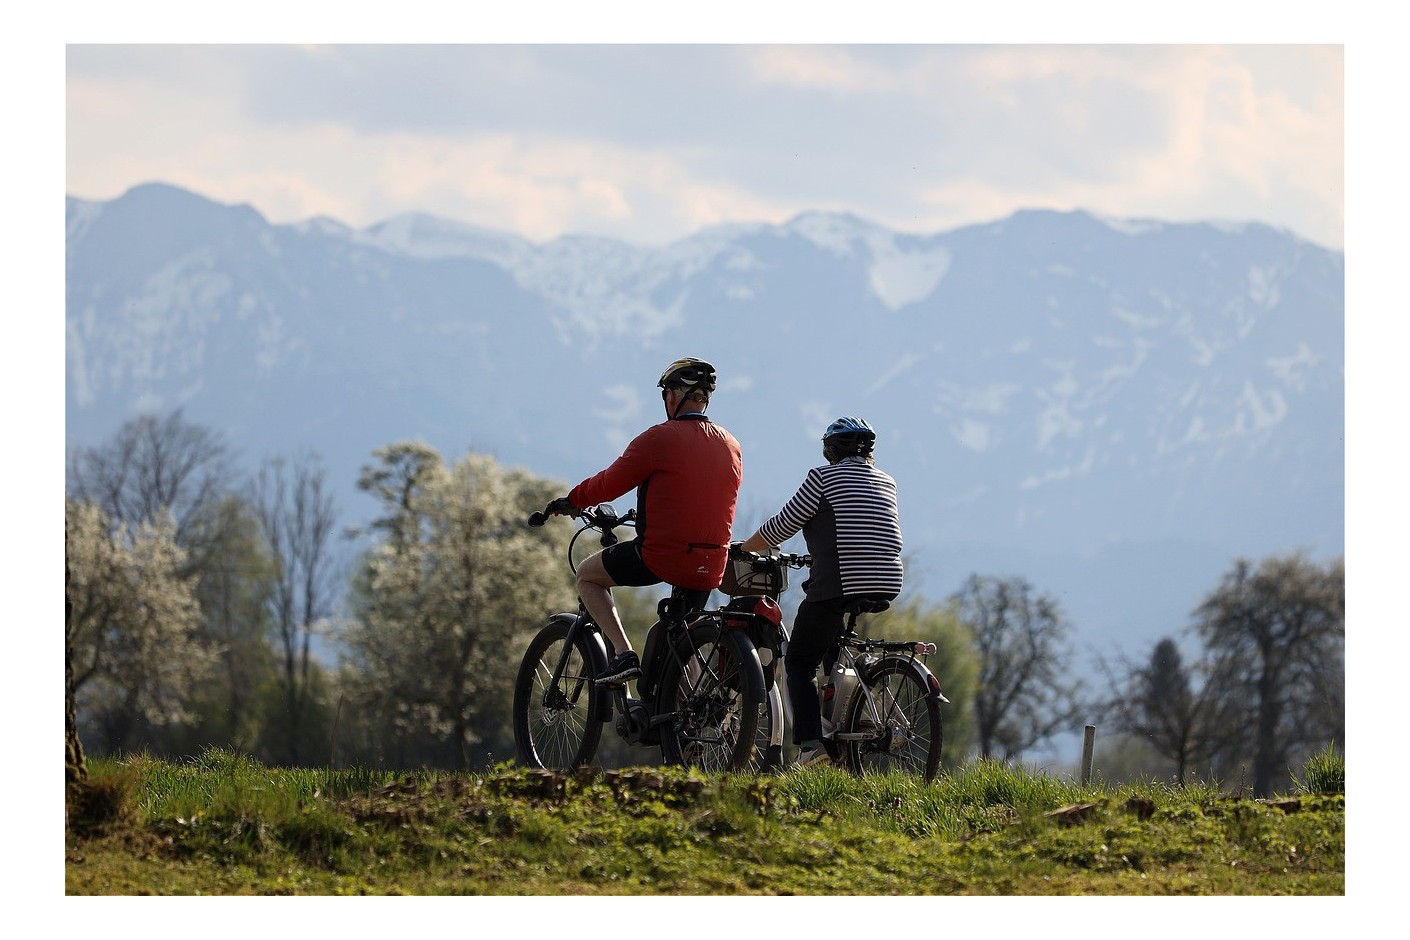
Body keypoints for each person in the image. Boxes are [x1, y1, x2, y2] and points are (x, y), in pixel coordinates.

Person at [545, 357, 743, 687]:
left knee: (588, 576)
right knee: (680, 638)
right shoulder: (731, 444)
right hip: (712, 563)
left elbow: (610, 482)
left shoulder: (659, 438)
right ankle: (689, 724)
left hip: (663, 556)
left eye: (667, 392)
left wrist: (573, 500)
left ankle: (623, 654)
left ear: (676, 395)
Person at [738, 416, 903, 766]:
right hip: (887, 579)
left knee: (798, 661)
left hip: (842, 579)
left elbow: (783, 524)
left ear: (830, 450)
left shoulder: (823, 478)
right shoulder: (887, 481)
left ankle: (812, 746)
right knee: (830, 641)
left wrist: (745, 548)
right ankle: (846, 715)